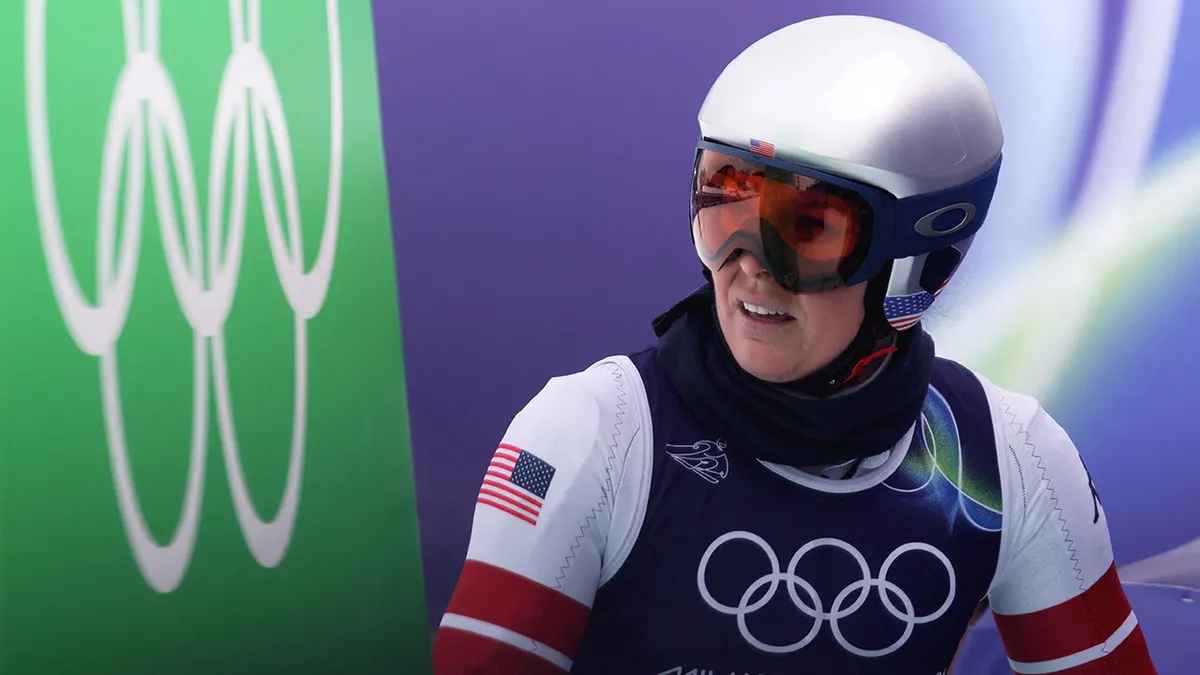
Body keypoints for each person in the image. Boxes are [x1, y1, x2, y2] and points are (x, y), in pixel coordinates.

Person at [431, 14, 1158, 675]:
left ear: (915, 264)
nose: (750, 267)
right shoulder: (591, 432)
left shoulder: (1008, 458)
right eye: (727, 207)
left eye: (807, 229)